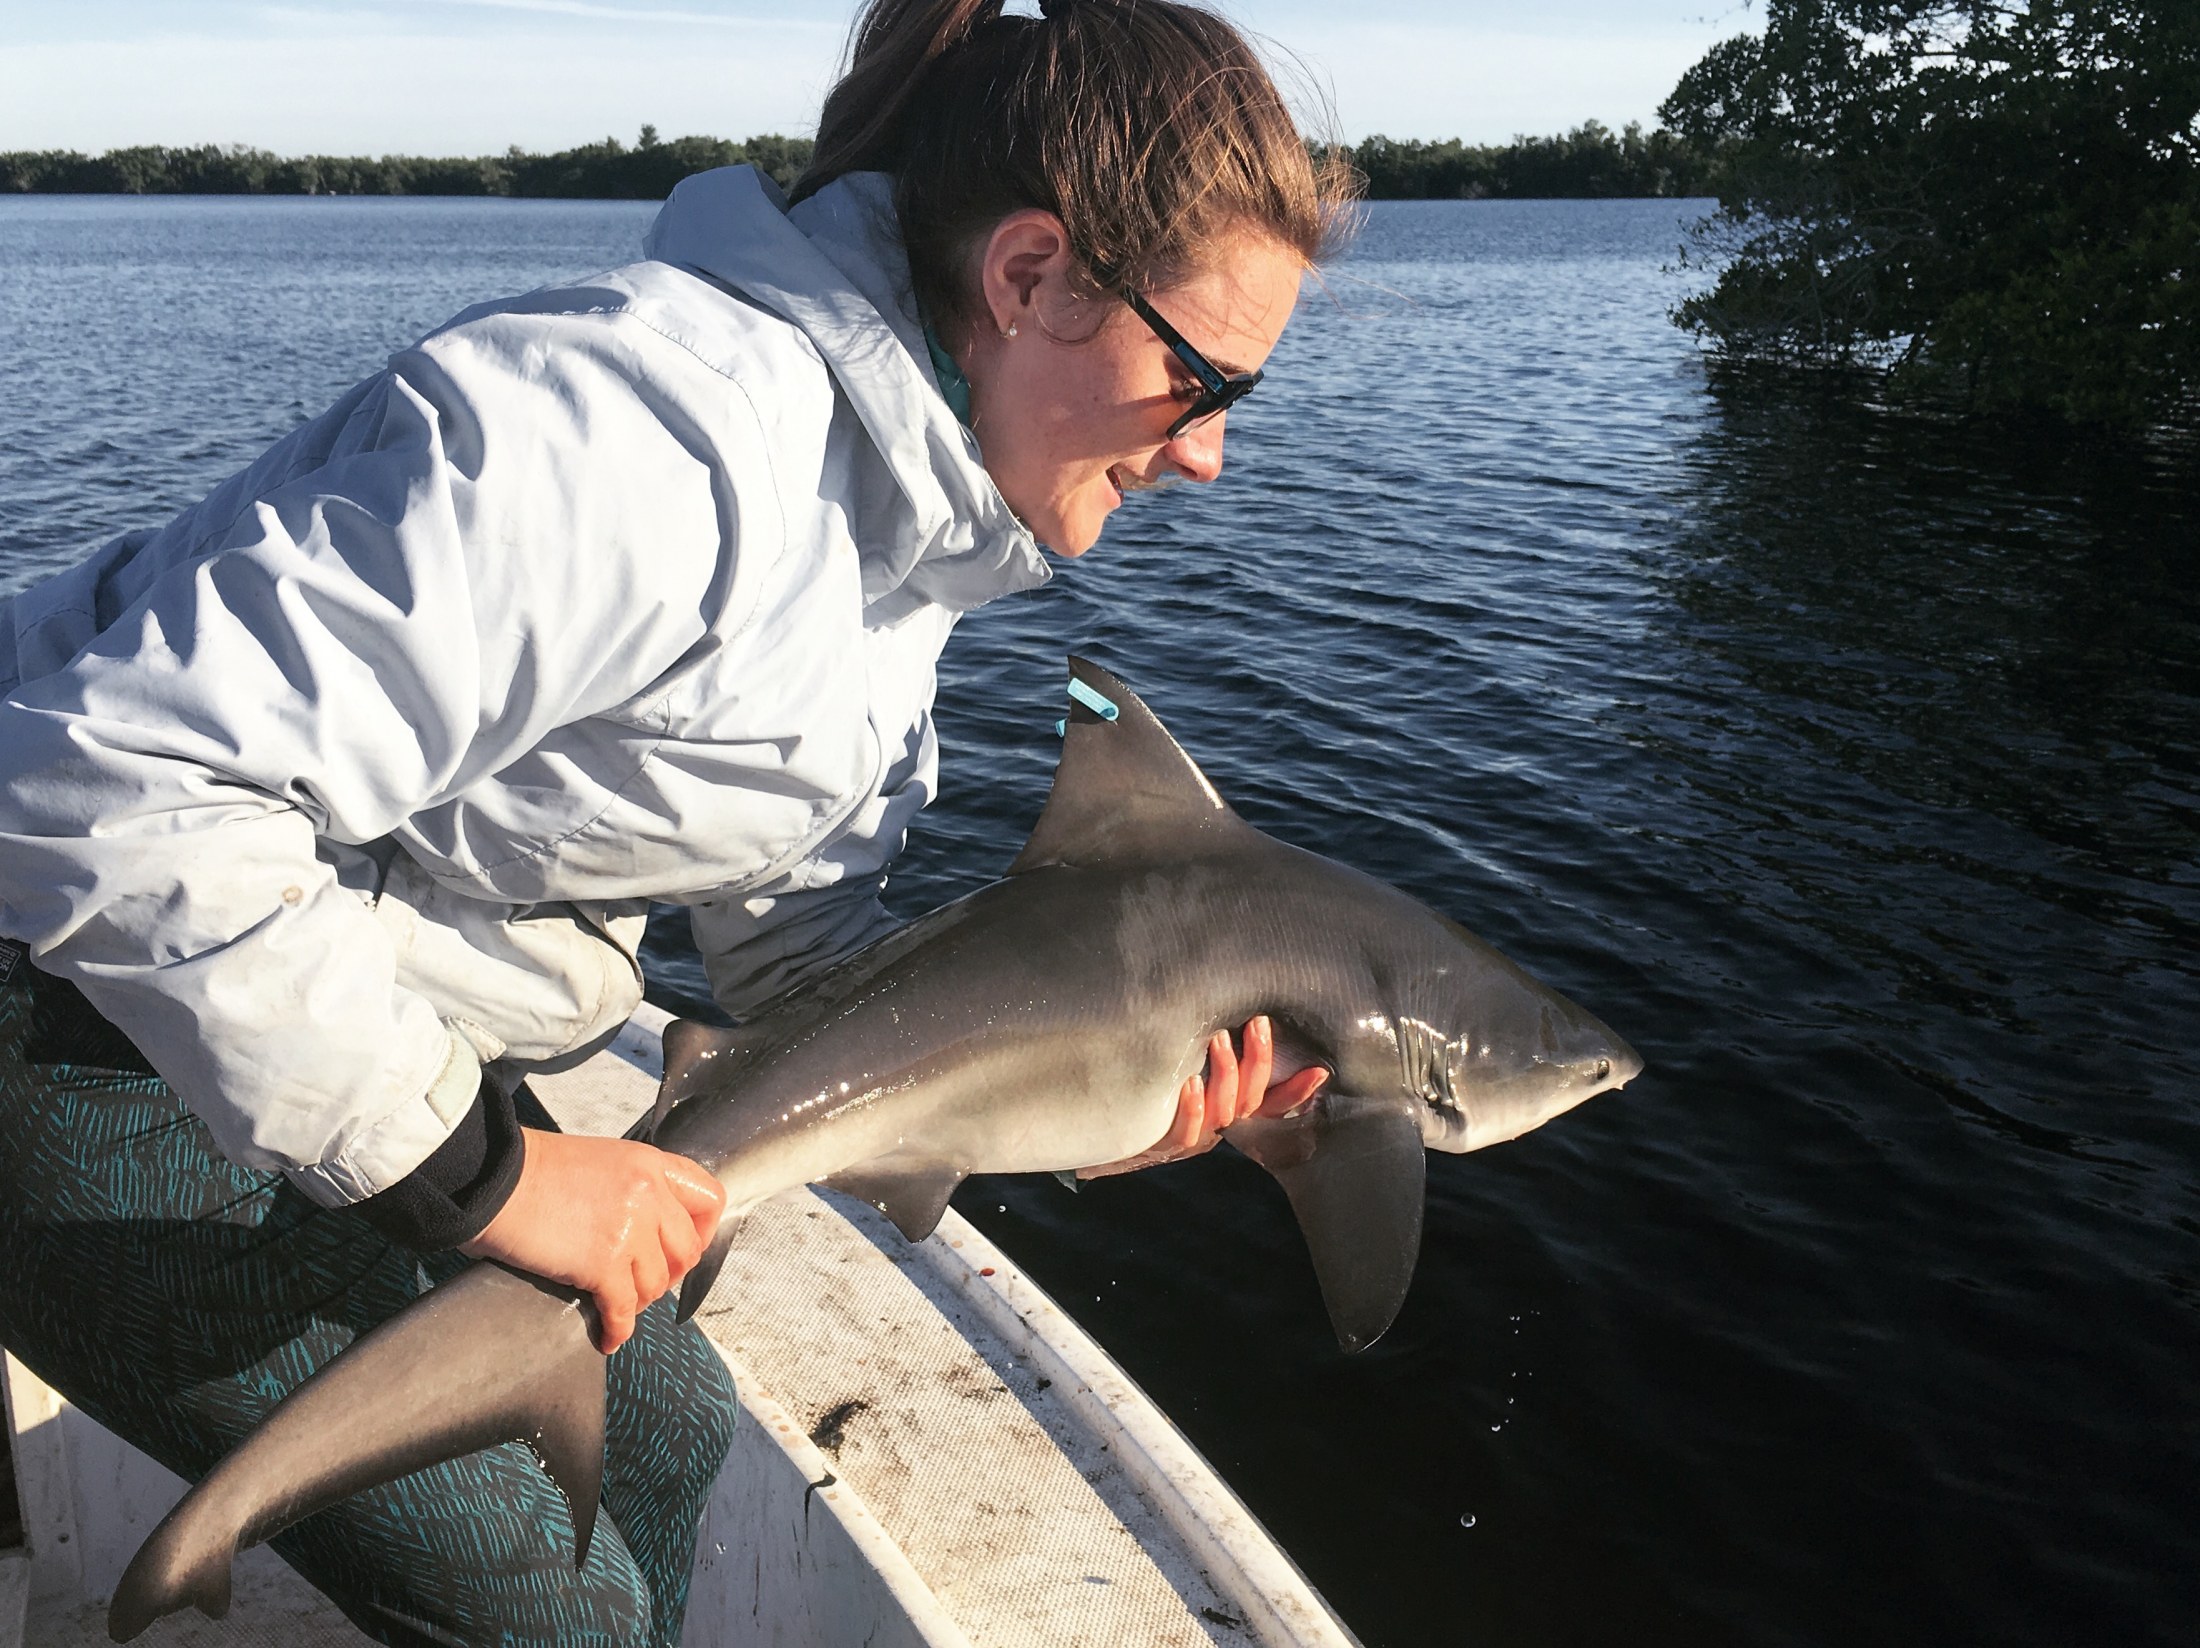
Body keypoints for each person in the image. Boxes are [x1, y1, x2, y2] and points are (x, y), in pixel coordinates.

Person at [0, 0, 1353, 1642]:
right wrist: (487, 1177)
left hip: (309, 1025)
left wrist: (1105, 1095)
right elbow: (101, 785)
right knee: (549, 1615)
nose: (1210, 455)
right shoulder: (639, 438)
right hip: (57, 1022)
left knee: (668, 1419)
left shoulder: (896, 551)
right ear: (1028, 277)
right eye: (1202, 381)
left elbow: (807, 964)